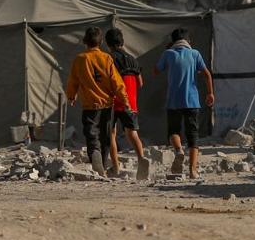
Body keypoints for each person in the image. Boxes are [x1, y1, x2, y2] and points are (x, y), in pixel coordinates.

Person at [65, 26, 128, 176]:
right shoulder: (106, 58)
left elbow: (73, 81)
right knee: (106, 136)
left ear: (85, 41)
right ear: (101, 42)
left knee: (91, 134)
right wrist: (124, 99)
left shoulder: (80, 59)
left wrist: (71, 96)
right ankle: (104, 166)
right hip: (107, 104)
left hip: (89, 105)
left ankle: (95, 155)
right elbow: (116, 81)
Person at [154, 27, 214, 180]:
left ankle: (179, 150)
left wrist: (167, 54)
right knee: (193, 136)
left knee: (173, 131)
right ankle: (193, 171)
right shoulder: (195, 54)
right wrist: (210, 93)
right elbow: (206, 74)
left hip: (173, 101)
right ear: (189, 42)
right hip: (192, 101)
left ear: (173, 42)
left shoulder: (168, 54)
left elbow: (155, 71)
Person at [104, 27, 150, 181]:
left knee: (111, 133)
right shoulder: (133, 59)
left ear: (107, 43)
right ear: (122, 41)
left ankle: (116, 167)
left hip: (113, 101)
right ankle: (142, 158)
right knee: (132, 132)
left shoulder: (108, 58)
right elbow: (140, 83)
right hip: (130, 102)